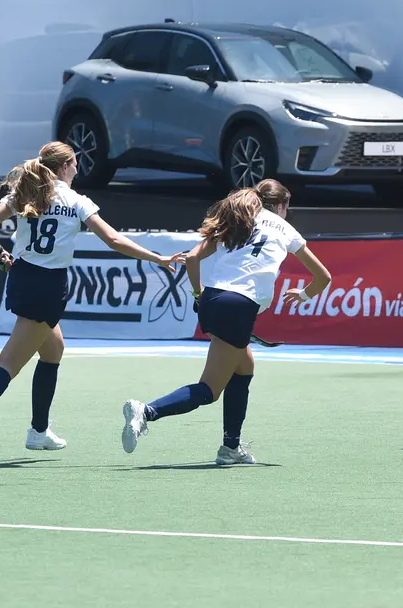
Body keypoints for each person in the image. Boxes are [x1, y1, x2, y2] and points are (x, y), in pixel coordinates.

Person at [0, 142, 182, 463]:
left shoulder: (26, 192)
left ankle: (38, 431)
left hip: (24, 277)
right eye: (75, 164)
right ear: (65, 166)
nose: (77, 169)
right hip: (48, 286)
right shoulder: (76, 201)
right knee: (9, 364)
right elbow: (113, 239)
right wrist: (157, 258)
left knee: (53, 349)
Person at [121, 180, 332, 463]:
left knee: (244, 368)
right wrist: (304, 295)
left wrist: (198, 294)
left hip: (213, 299)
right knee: (209, 390)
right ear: (280, 206)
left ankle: (230, 448)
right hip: (238, 306)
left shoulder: (237, 219)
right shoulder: (287, 230)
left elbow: (193, 258)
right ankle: (146, 411)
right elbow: (324, 277)